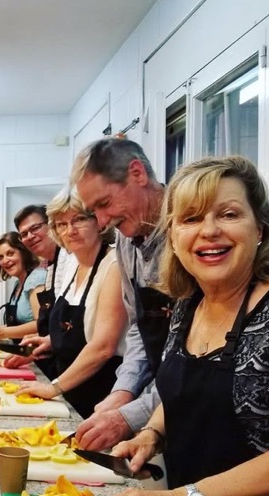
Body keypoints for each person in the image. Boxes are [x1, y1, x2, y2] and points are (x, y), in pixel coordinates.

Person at [95, 156, 269, 496]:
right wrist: (152, 433)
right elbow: (179, 389)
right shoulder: (189, 304)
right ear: (174, 238)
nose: (209, 231)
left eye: (229, 214)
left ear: (260, 229)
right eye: (191, 219)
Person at [71, 138, 172, 449]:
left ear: (137, 173)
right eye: (94, 211)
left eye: (104, 204)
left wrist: (129, 416)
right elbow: (141, 329)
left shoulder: (185, 238)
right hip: (162, 411)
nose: (102, 221)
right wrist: (122, 392)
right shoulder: (127, 242)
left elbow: (192, 363)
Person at [15, 189, 126, 418]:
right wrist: (50, 341)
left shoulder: (113, 265)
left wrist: (52, 387)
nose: (70, 230)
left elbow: (103, 346)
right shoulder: (73, 265)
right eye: (61, 224)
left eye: (79, 220)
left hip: (100, 395)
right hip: (69, 389)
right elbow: (77, 328)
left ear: (99, 222)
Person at [2, 204, 77, 380]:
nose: (30, 237)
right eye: (24, 234)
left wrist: (3, 333)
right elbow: (52, 328)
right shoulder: (51, 268)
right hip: (58, 367)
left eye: (35, 228)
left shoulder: (69, 264)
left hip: (78, 373)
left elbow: (82, 333)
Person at [0, 233, 45, 342]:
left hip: (36, 353)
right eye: (1, 257)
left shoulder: (36, 279)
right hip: (21, 351)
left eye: (10, 254)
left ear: (23, 253)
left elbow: (41, 324)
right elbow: (17, 324)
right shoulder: (18, 284)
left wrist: (3, 332)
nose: (5, 261)